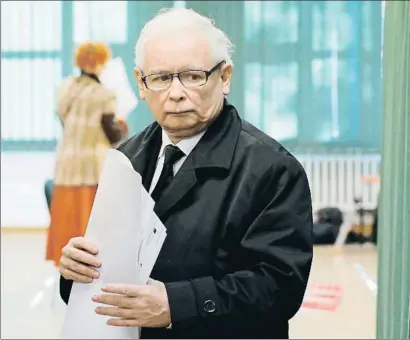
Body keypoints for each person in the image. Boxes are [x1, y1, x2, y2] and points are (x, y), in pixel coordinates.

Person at [58, 8, 313, 339]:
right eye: (161, 78)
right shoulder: (125, 159)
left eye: (193, 76)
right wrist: (76, 272)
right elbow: (105, 266)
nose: (176, 93)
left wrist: (175, 305)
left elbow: (279, 288)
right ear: (140, 83)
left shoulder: (273, 169)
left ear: (225, 78)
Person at [45, 41, 128, 266]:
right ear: (100, 64)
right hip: (94, 167)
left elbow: (65, 123)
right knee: (90, 228)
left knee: (68, 223)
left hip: (67, 165)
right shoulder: (104, 94)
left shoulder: (66, 89)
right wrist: (122, 126)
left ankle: (67, 266)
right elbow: (113, 134)